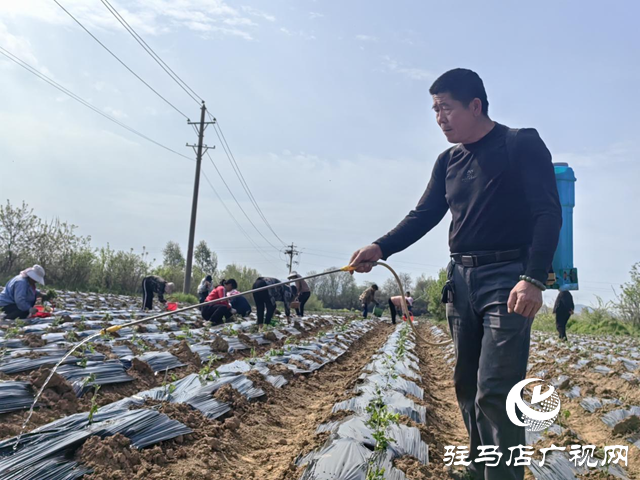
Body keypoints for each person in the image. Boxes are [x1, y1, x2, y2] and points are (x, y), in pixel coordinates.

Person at [348, 68, 562, 480]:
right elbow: (424, 215)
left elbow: (547, 213)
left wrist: (534, 277)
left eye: (446, 107)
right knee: (466, 383)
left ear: (475, 105)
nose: (439, 117)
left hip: (509, 279)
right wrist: (380, 247)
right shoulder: (448, 161)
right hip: (461, 280)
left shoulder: (520, 144)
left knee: (496, 388)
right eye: (434, 110)